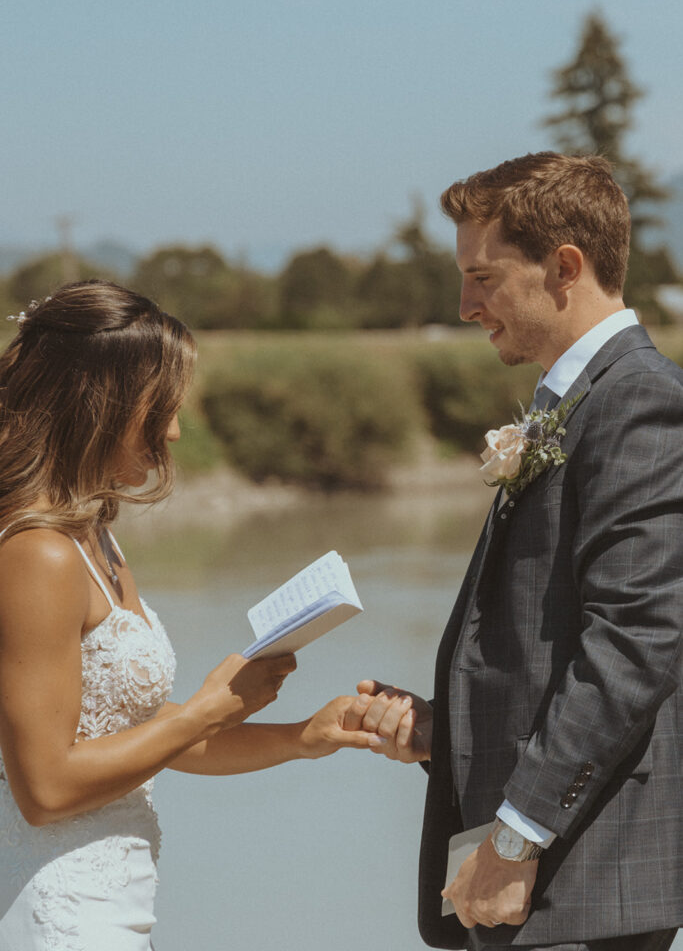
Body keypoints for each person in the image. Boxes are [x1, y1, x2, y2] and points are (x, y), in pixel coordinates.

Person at [344, 153, 682, 951]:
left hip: (581, 875)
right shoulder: (577, 400)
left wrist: (517, 834)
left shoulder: (638, 402)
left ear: (564, 266)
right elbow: (541, 639)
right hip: (544, 875)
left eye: (483, 278)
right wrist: (447, 732)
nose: (464, 305)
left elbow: (636, 641)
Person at [0, 280, 378, 951]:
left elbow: (143, 739)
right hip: (59, 912)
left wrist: (300, 737)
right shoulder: (39, 557)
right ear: (96, 402)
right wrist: (208, 708)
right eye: (159, 408)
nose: (173, 429)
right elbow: (47, 787)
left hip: (118, 906)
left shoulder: (97, 541)